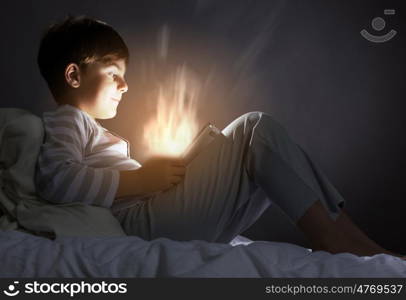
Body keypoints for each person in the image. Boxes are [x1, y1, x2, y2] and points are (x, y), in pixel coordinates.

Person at [35, 15, 403, 258]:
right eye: (114, 72)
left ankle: (353, 242)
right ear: (73, 76)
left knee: (258, 157)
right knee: (254, 127)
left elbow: (93, 179)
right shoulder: (69, 119)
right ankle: (337, 238)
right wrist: (140, 178)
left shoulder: (89, 128)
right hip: (141, 227)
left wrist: (155, 177)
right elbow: (56, 180)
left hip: (150, 217)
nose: (125, 84)